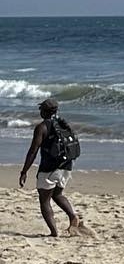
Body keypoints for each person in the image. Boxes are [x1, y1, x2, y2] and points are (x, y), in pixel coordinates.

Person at [18, 98, 90, 239]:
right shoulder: (64, 124)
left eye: (41, 109)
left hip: (49, 169)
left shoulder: (42, 127)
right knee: (57, 194)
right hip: (67, 166)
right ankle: (73, 216)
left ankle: (54, 232)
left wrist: (24, 171)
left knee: (44, 200)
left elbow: (33, 151)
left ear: (44, 111)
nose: (39, 111)